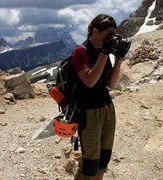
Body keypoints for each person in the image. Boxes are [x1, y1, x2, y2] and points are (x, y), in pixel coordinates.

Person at [71, 14, 130, 180]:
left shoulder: (103, 50)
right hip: (88, 112)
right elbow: (89, 81)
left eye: (111, 38)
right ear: (94, 31)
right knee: (90, 161)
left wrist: (119, 59)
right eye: (105, 37)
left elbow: (110, 84)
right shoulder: (80, 52)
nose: (107, 41)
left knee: (104, 157)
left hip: (107, 108)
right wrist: (105, 52)